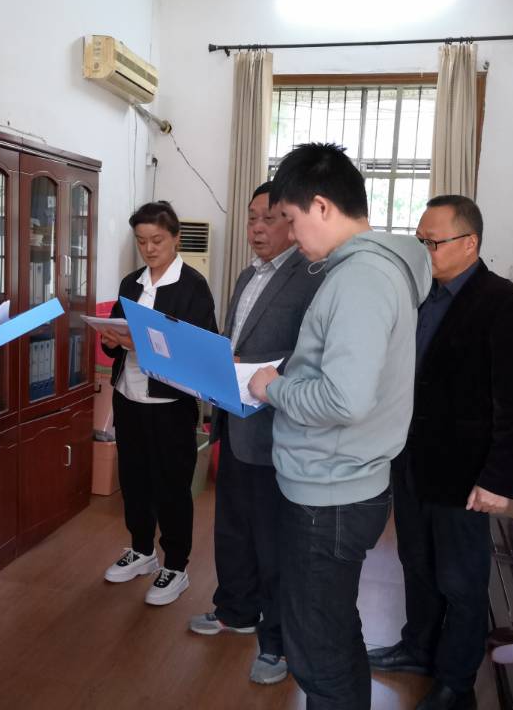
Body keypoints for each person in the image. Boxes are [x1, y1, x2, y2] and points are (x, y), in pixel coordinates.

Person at [248, 142, 432, 709]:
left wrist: (273, 388)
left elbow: (345, 398)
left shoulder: (361, 279)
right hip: (342, 482)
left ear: (323, 206)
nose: (291, 234)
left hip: (329, 493)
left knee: (318, 654)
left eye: (292, 218)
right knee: (332, 630)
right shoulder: (375, 269)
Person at [366, 195, 513, 710]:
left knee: (461, 581)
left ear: (470, 243)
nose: (425, 250)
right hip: (413, 460)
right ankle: (418, 648)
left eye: (433, 242)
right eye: (419, 240)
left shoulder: (505, 303)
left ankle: (456, 680)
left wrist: (499, 480)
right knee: (416, 563)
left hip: (465, 472)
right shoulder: (424, 296)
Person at [188, 181, 323, 685]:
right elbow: (233, 341)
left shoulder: (313, 277)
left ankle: (278, 642)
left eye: (268, 218)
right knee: (232, 529)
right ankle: (236, 610)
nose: (257, 228)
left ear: (293, 220)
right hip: (235, 419)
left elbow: (312, 354)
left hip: (276, 429)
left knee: (273, 544)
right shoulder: (247, 274)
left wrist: (254, 364)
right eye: (251, 218)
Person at [99, 200, 217, 606]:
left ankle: (176, 566)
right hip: (128, 396)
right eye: (141, 241)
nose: (148, 249)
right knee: (134, 480)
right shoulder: (131, 283)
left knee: (171, 486)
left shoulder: (193, 286)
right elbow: (115, 339)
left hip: (170, 403)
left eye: (157, 240)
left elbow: (200, 350)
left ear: (176, 238)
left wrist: (145, 345)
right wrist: (111, 340)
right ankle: (142, 551)